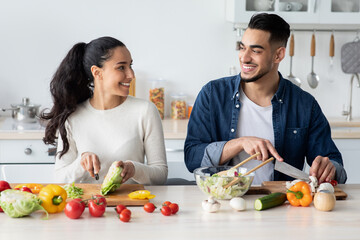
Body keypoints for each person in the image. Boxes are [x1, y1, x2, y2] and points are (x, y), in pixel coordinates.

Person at [184, 13, 347, 185]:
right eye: (242, 47)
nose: (244, 57)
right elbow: (192, 158)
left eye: (255, 51)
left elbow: (336, 167)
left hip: (281, 205)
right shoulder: (212, 95)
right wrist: (239, 143)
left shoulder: (305, 105)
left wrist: (330, 168)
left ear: (278, 55)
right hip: (222, 202)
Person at [41, 36, 167, 184]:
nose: (131, 75)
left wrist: (134, 169)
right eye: (121, 67)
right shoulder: (73, 116)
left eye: (130, 66)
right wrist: (81, 163)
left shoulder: (145, 111)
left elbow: (160, 174)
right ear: (97, 72)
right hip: (88, 205)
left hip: (130, 205)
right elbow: (59, 179)